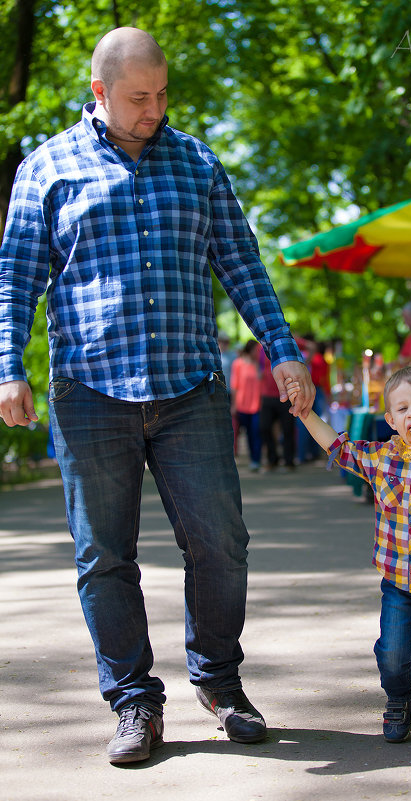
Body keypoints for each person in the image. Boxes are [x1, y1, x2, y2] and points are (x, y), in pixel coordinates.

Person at [0, 27, 315, 765]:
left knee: (221, 542)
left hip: (189, 388)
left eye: (163, 92)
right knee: (103, 556)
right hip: (90, 391)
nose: (155, 108)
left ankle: (219, 680)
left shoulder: (198, 162)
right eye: (139, 97)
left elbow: (242, 264)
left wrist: (284, 349)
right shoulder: (47, 167)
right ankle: (134, 700)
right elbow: (15, 279)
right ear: (100, 92)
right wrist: (7, 363)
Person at [286, 365, 411, 759]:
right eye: (403, 408)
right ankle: (398, 699)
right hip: (397, 582)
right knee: (392, 653)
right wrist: (305, 412)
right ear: (391, 420)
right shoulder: (382, 460)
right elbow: (338, 448)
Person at [258, 348, 296, 472]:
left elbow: (310, 347)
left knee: (288, 429)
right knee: (264, 427)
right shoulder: (260, 348)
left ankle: (289, 461)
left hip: (285, 396)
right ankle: (272, 459)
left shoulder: (284, 342)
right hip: (267, 396)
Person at [230, 339, 262, 471]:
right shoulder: (238, 364)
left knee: (256, 433)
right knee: (246, 434)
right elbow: (234, 386)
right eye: (257, 350)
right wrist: (234, 405)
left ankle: (256, 459)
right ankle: (248, 458)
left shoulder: (260, 365)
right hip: (242, 405)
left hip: (257, 405)